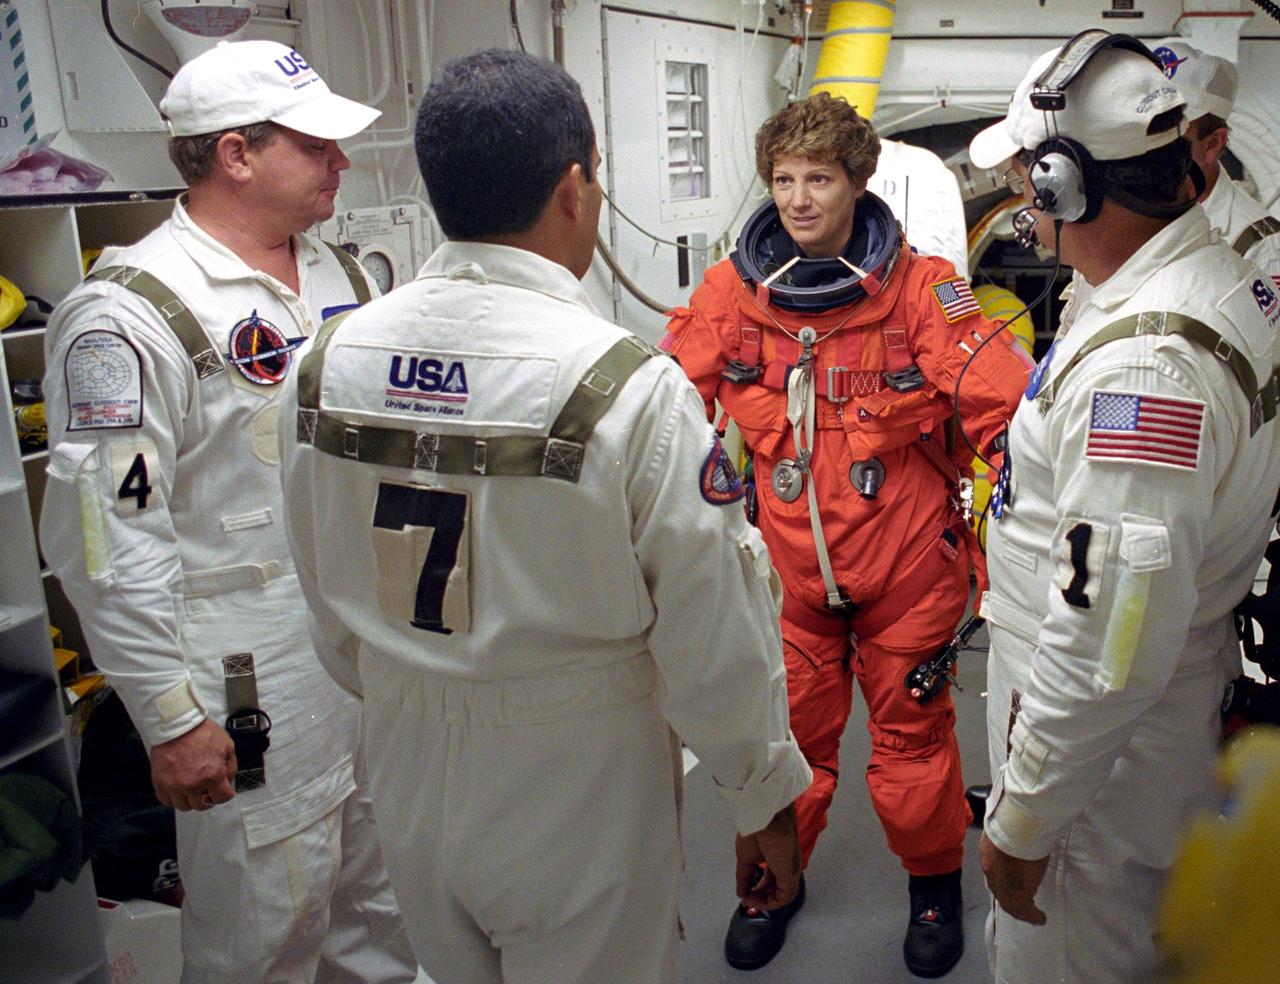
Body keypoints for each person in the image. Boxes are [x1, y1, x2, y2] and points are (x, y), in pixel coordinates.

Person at [276, 49, 812, 984]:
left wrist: (413, 685)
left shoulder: (324, 365)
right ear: (576, 187)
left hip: (401, 755)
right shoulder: (621, 387)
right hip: (576, 775)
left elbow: (319, 582)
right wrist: (759, 797)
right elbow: (713, 632)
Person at [38, 40, 417, 983]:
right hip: (245, 680)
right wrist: (168, 718)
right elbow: (107, 533)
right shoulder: (130, 316)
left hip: (359, 655)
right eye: (316, 145)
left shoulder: (343, 280)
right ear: (236, 154)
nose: (340, 162)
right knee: (265, 930)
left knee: (381, 903)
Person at [663, 91, 1032, 977]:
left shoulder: (924, 291)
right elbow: (664, 409)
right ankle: (775, 885)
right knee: (788, 749)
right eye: (784, 180)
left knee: (911, 749)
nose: (797, 198)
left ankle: (934, 886)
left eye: (817, 179)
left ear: (858, 183)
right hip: (790, 579)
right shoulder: (732, 294)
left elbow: (1005, 404)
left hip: (906, 569)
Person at [967, 29, 1280, 984]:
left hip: (1099, 759)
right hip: (1136, 720)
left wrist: (1025, 820)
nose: (1022, 198)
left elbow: (1109, 639)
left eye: (1028, 176)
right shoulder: (1198, 266)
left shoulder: (1147, 369)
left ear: (1067, 184)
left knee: (1061, 953)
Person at [1152, 38, 1280, 280]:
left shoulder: (1260, 245)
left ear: (1212, 144)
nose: (1147, 145)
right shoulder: (1123, 210)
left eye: (1168, 133)